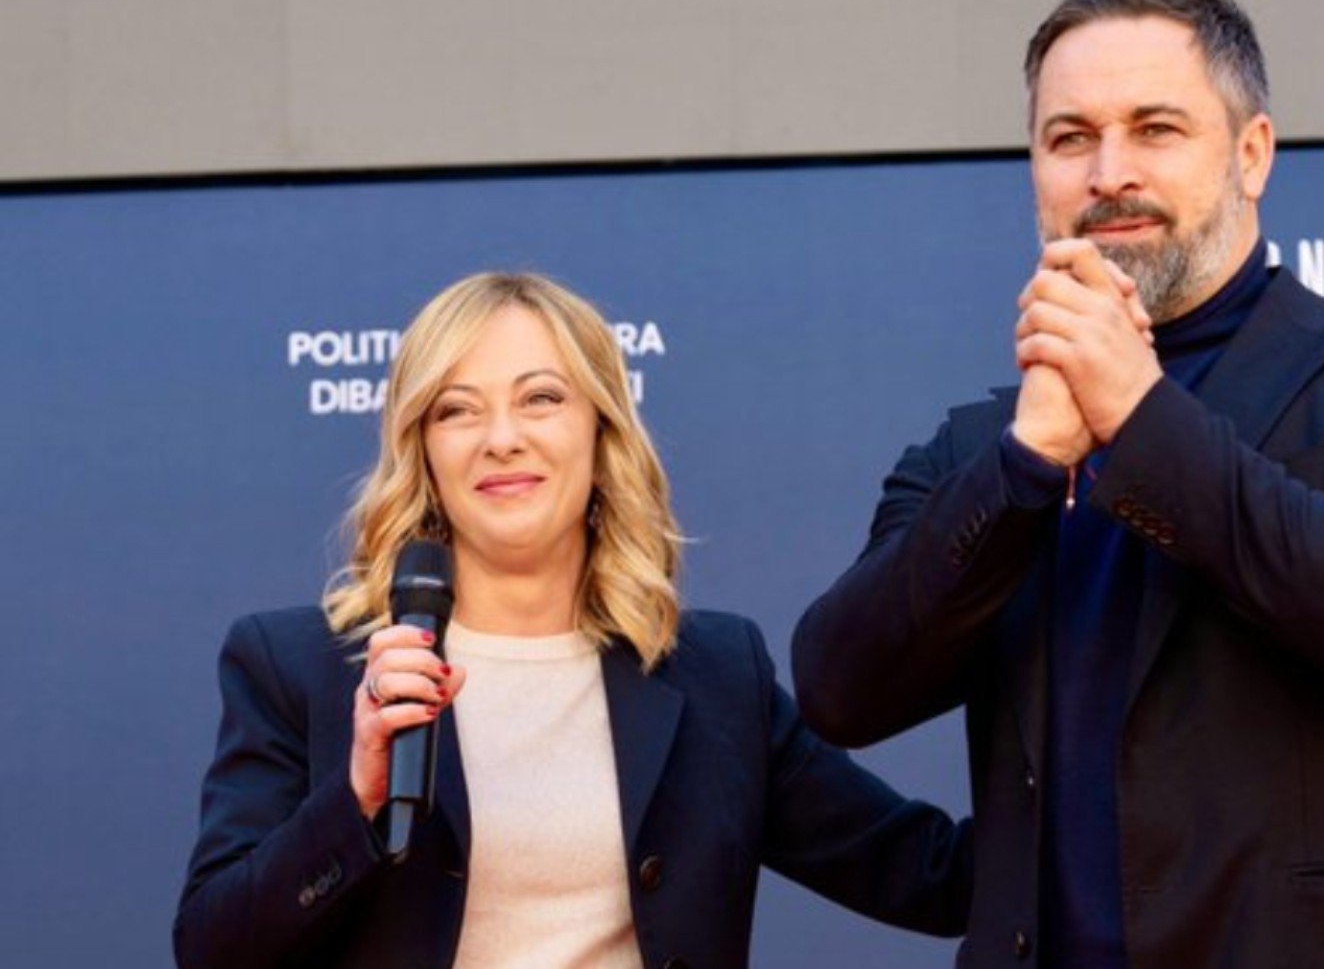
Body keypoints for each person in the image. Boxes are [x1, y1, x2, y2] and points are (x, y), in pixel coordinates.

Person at [792, 0, 1324, 969]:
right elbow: (841, 684)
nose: (1108, 171)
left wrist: (1137, 413)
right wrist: (1024, 467)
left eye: (1156, 128)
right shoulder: (983, 448)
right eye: (1069, 137)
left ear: (1251, 153)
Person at [175, 272, 971, 968]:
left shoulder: (717, 673)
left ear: (602, 432)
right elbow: (214, 947)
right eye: (457, 410)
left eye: (541, 398)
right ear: (422, 451)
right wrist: (354, 799)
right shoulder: (296, 665)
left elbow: (928, 874)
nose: (502, 438)